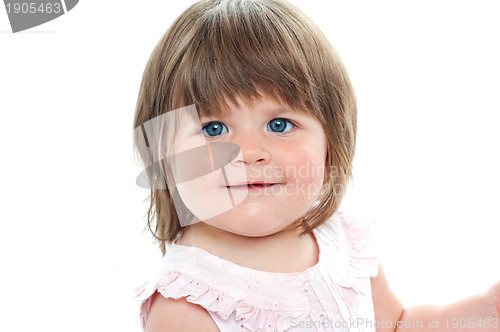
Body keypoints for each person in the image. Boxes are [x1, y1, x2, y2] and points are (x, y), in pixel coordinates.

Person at [132, 0, 500, 330]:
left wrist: (485, 311)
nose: (249, 152)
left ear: (331, 141)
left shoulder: (340, 245)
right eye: (213, 129)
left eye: (279, 125)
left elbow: (395, 325)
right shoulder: (186, 304)